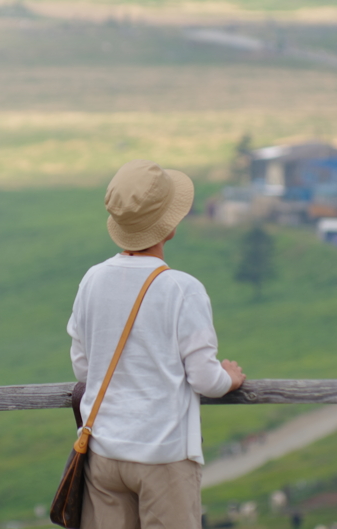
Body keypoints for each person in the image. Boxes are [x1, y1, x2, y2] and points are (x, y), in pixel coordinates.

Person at [67, 159, 246, 529]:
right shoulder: (182, 288)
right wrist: (229, 377)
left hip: (102, 452)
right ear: (169, 224)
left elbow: (84, 368)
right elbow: (204, 379)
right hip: (163, 456)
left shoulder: (92, 280)